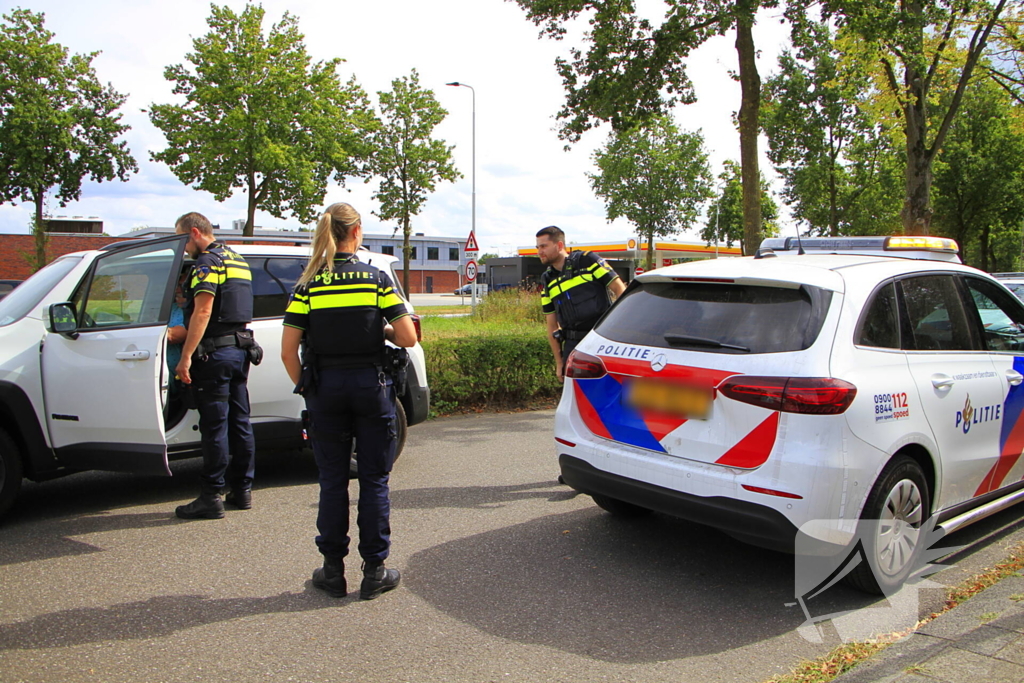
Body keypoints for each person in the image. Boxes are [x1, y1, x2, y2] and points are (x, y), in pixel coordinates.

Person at [281, 202, 417, 600]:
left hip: (325, 389)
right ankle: (374, 571)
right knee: (374, 479)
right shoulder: (375, 279)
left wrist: (307, 388)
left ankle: (332, 571)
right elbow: (408, 337)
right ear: (356, 232)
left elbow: (288, 352)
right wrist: (382, 331)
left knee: (332, 481)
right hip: (371, 387)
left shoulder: (308, 284)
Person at [173, 212, 257, 520]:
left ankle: (211, 497)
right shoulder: (238, 260)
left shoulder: (207, 263)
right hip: (240, 351)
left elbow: (204, 311)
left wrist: (185, 357)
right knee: (240, 423)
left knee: (215, 427)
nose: (183, 247)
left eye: (183, 239)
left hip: (214, 355)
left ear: (195, 232)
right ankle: (242, 490)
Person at [536, 225, 626, 378]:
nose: (539, 252)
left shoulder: (587, 260)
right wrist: (559, 362)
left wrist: (616, 327)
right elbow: (551, 324)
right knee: (574, 392)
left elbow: (619, 289)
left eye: (544, 246)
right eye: (538, 247)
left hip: (601, 339)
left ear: (559, 245)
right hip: (573, 346)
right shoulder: (547, 279)